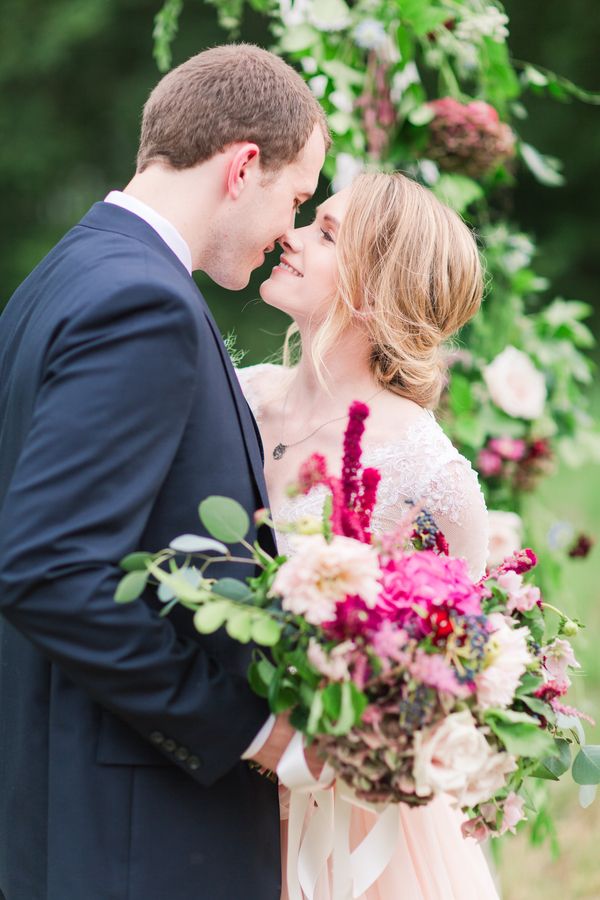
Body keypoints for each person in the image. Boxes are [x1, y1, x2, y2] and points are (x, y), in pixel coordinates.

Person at [0, 44, 328, 900]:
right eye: (295, 199)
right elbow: (46, 571)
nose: (288, 233)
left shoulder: (65, 273)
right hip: (137, 836)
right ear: (243, 165)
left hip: (65, 800)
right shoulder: (140, 302)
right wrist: (254, 732)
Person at [237, 171, 500, 899]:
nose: (288, 237)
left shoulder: (430, 473)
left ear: (376, 291)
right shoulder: (239, 396)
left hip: (353, 825)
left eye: (325, 233)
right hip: (218, 777)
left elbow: (458, 664)